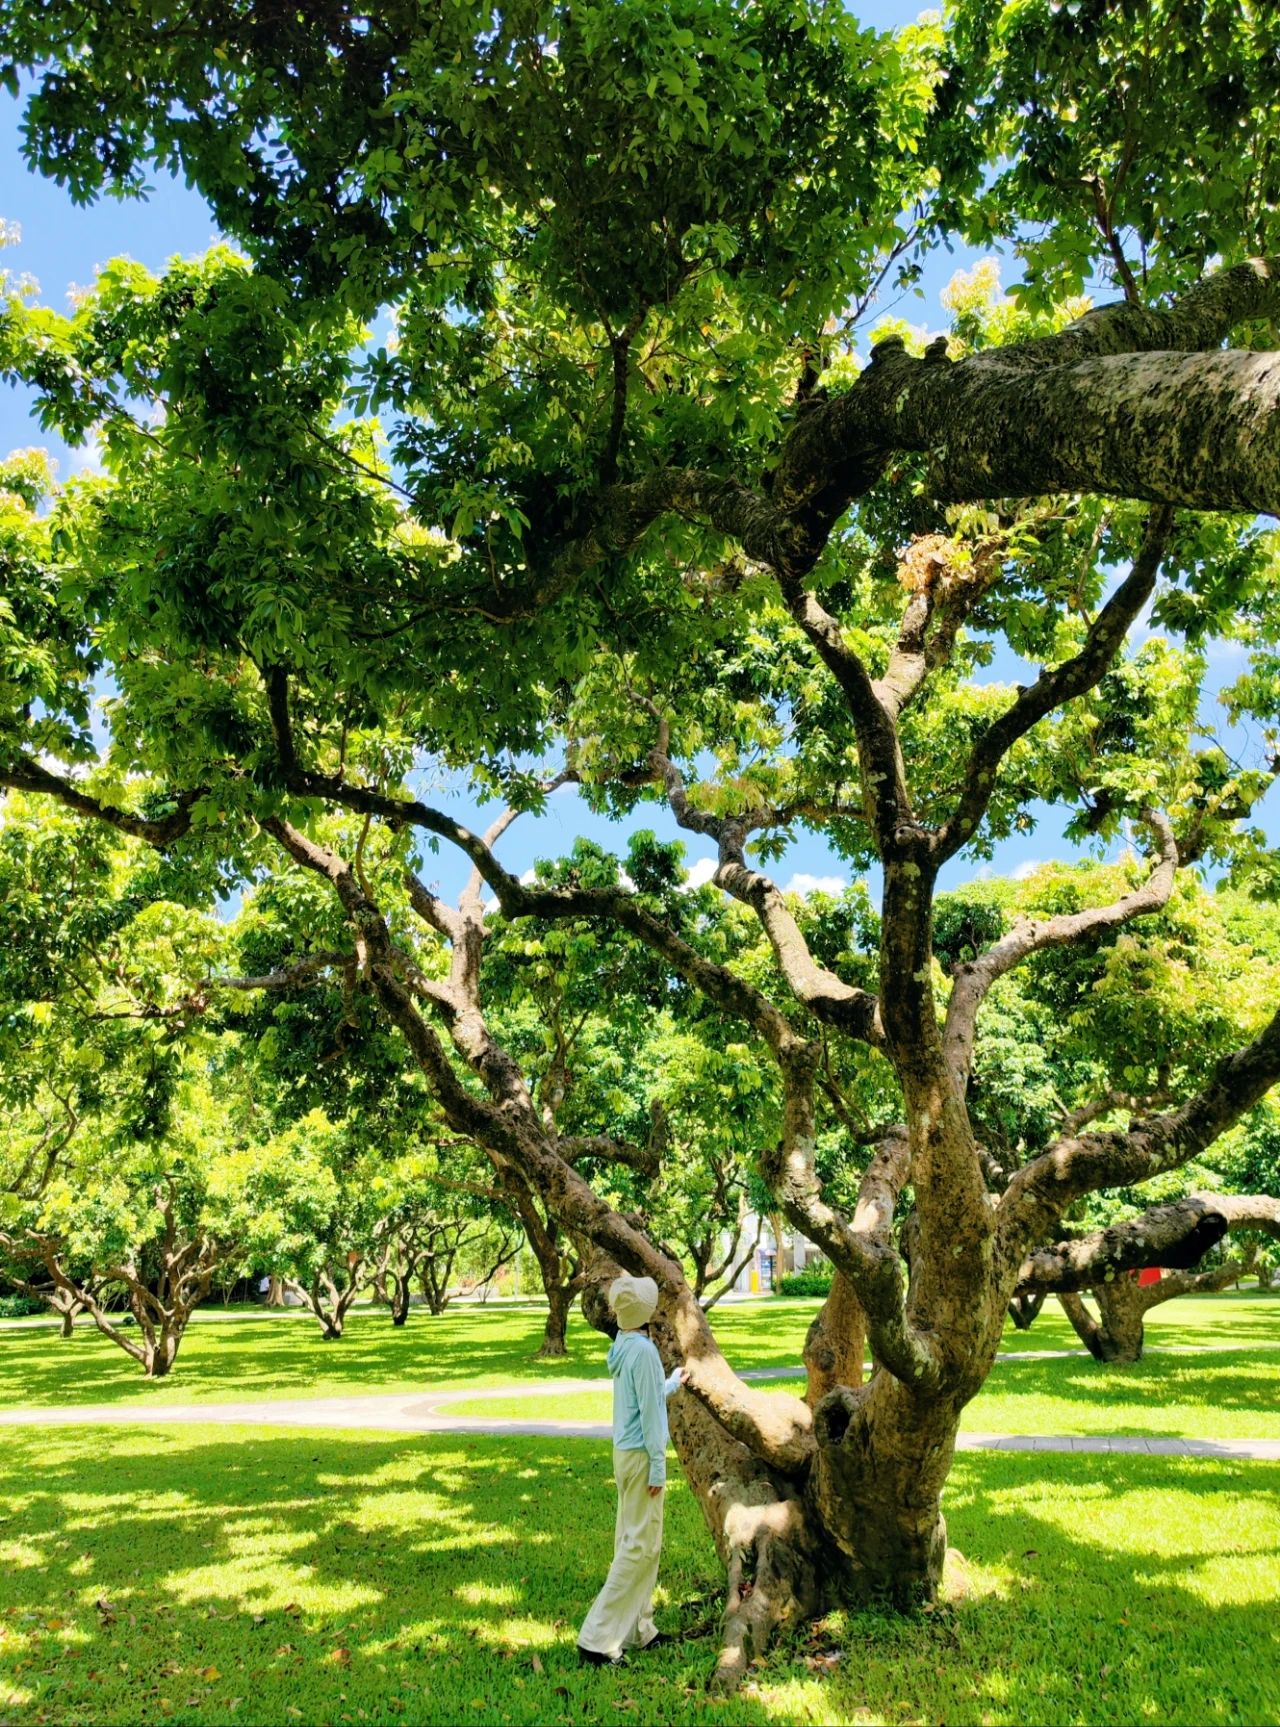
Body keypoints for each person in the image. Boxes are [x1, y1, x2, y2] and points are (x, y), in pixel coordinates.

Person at [577, 1273, 686, 1668]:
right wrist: (659, 1466)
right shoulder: (643, 1352)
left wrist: (671, 1383)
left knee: (636, 1542)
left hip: (625, 1454)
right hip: (642, 1456)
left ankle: (640, 1629)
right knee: (640, 1546)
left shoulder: (625, 1345)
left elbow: (645, 1396)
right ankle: (597, 1638)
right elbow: (653, 1416)